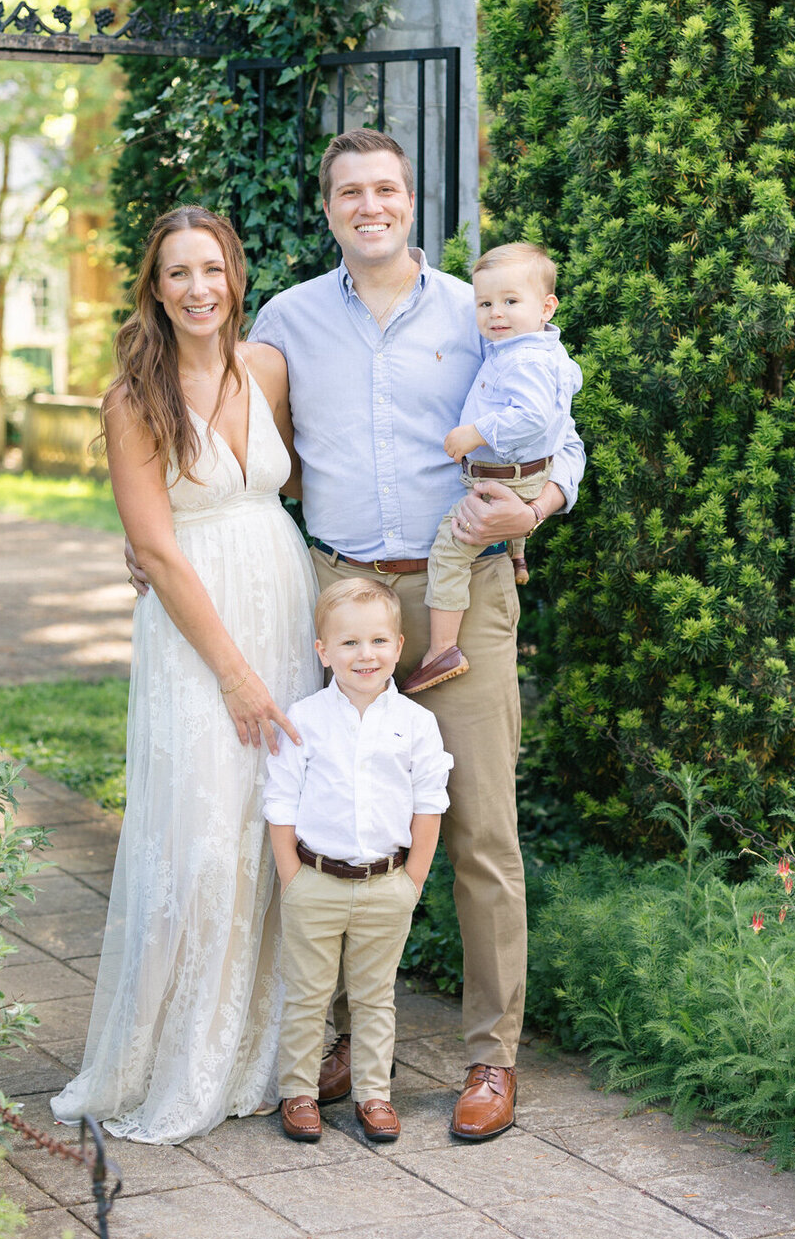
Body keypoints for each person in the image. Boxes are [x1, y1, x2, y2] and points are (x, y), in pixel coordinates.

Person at [247, 129, 586, 1141]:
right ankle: (343, 1041)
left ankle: (490, 1058)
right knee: (335, 822)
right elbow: (242, 440)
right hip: (342, 593)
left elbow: (555, 420)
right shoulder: (289, 317)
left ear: (413, 201)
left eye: (386, 189)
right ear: (327, 207)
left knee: (482, 831)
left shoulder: (477, 310)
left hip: (464, 593)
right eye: (349, 191)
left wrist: (547, 500)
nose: (369, 206)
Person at [53, 205, 319, 1144]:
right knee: (199, 836)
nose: (199, 288)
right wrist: (237, 677)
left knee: (271, 829)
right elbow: (157, 552)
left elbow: (283, 487)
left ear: (236, 276)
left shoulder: (271, 370)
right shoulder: (133, 400)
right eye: (178, 273)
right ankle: (167, 1057)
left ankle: (265, 1053)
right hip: (196, 630)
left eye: (213, 268)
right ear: (154, 290)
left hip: (283, 604)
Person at [265, 578, 452, 1144]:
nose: (363, 655)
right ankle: (298, 1093)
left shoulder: (416, 724)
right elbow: (280, 803)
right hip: (315, 881)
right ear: (323, 652)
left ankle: (374, 1096)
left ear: (397, 646)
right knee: (307, 994)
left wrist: (413, 879)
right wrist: (291, 878)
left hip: (386, 883)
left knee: (375, 997)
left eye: (376, 641)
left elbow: (429, 804)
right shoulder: (305, 719)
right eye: (348, 643)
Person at [402, 241, 582, 695]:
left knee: (450, 549)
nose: (495, 314)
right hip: (523, 477)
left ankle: (442, 648)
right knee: (507, 508)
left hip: (504, 481)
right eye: (484, 304)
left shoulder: (522, 359)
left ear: (547, 306)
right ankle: (517, 555)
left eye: (510, 302)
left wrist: (474, 433)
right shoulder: (536, 350)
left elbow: (534, 418)